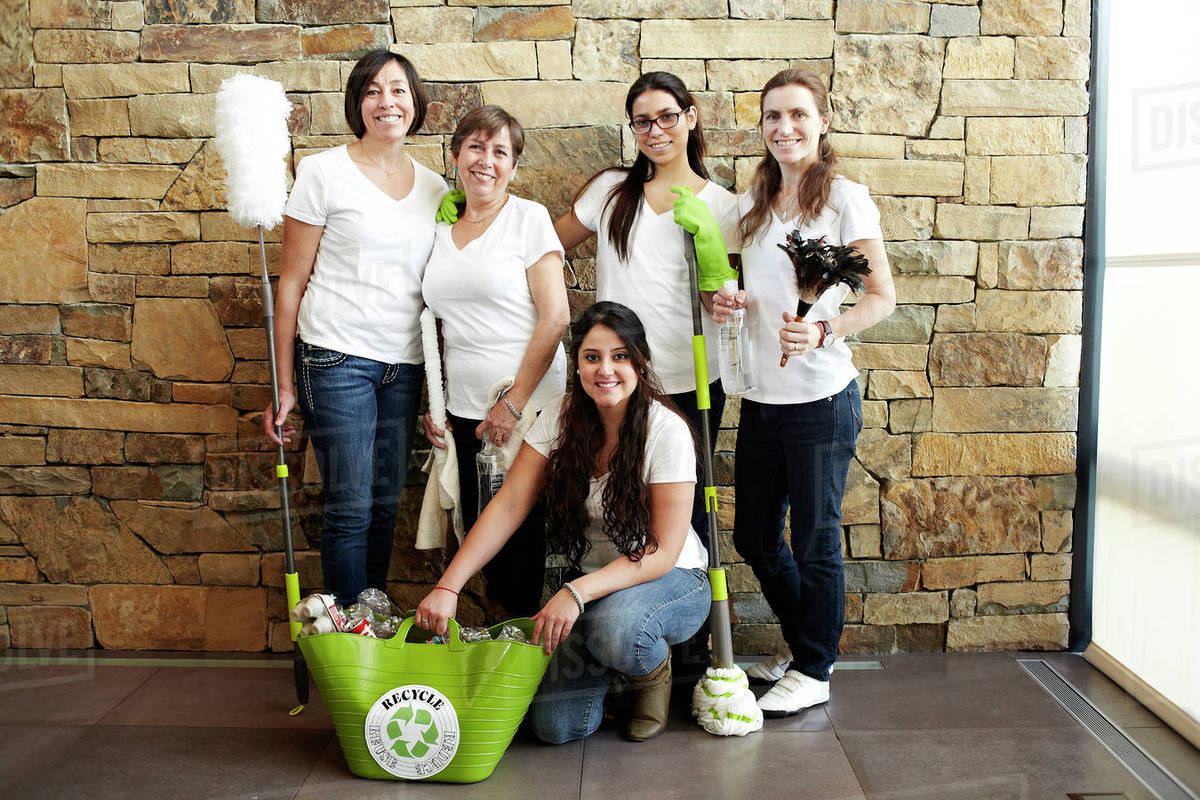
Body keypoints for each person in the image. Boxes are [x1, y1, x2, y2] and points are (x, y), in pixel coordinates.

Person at [415, 302, 711, 743]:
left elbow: (663, 551)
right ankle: (612, 668)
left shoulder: (666, 430)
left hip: (673, 579)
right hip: (595, 586)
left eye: (620, 356)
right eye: (592, 357)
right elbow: (509, 505)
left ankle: (651, 675)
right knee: (554, 727)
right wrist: (447, 586)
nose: (605, 370)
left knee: (618, 629)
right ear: (577, 364)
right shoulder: (559, 415)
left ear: (640, 361)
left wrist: (573, 593)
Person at [712, 69, 895, 717]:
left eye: (797, 115)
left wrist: (823, 329)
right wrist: (728, 301)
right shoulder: (752, 204)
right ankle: (802, 641)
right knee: (757, 537)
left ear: (822, 121)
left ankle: (815, 668)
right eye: (771, 117)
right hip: (763, 399)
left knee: (814, 538)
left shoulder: (845, 198)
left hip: (821, 400)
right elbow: (736, 289)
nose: (784, 128)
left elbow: (881, 298)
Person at [263, 49, 447, 607]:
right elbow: (290, 283)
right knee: (349, 504)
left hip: (405, 368)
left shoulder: (437, 188)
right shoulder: (322, 173)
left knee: (385, 504)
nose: (385, 102)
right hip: (335, 359)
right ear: (356, 103)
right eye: (371, 91)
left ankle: (373, 616)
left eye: (397, 90)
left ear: (414, 102)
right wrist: (285, 386)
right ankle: (347, 636)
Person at [552, 72, 738, 553]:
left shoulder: (723, 207)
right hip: (614, 377)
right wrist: (482, 215)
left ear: (690, 117)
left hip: (687, 377)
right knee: (614, 497)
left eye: (667, 117)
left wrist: (710, 244)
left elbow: (721, 307)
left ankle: (689, 619)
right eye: (642, 122)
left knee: (684, 507)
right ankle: (616, 603)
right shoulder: (613, 190)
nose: (656, 131)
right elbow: (544, 248)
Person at [421, 105, 570, 617]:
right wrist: (434, 405)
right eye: (477, 147)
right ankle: (496, 649)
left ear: (514, 166)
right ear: (457, 154)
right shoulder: (438, 229)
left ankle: (521, 675)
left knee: (520, 538)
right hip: (463, 411)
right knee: (478, 528)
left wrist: (513, 402)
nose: (487, 161)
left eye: (500, 151)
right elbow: (434, 326)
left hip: (525, 408)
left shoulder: (528, 219)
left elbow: (555, 318)